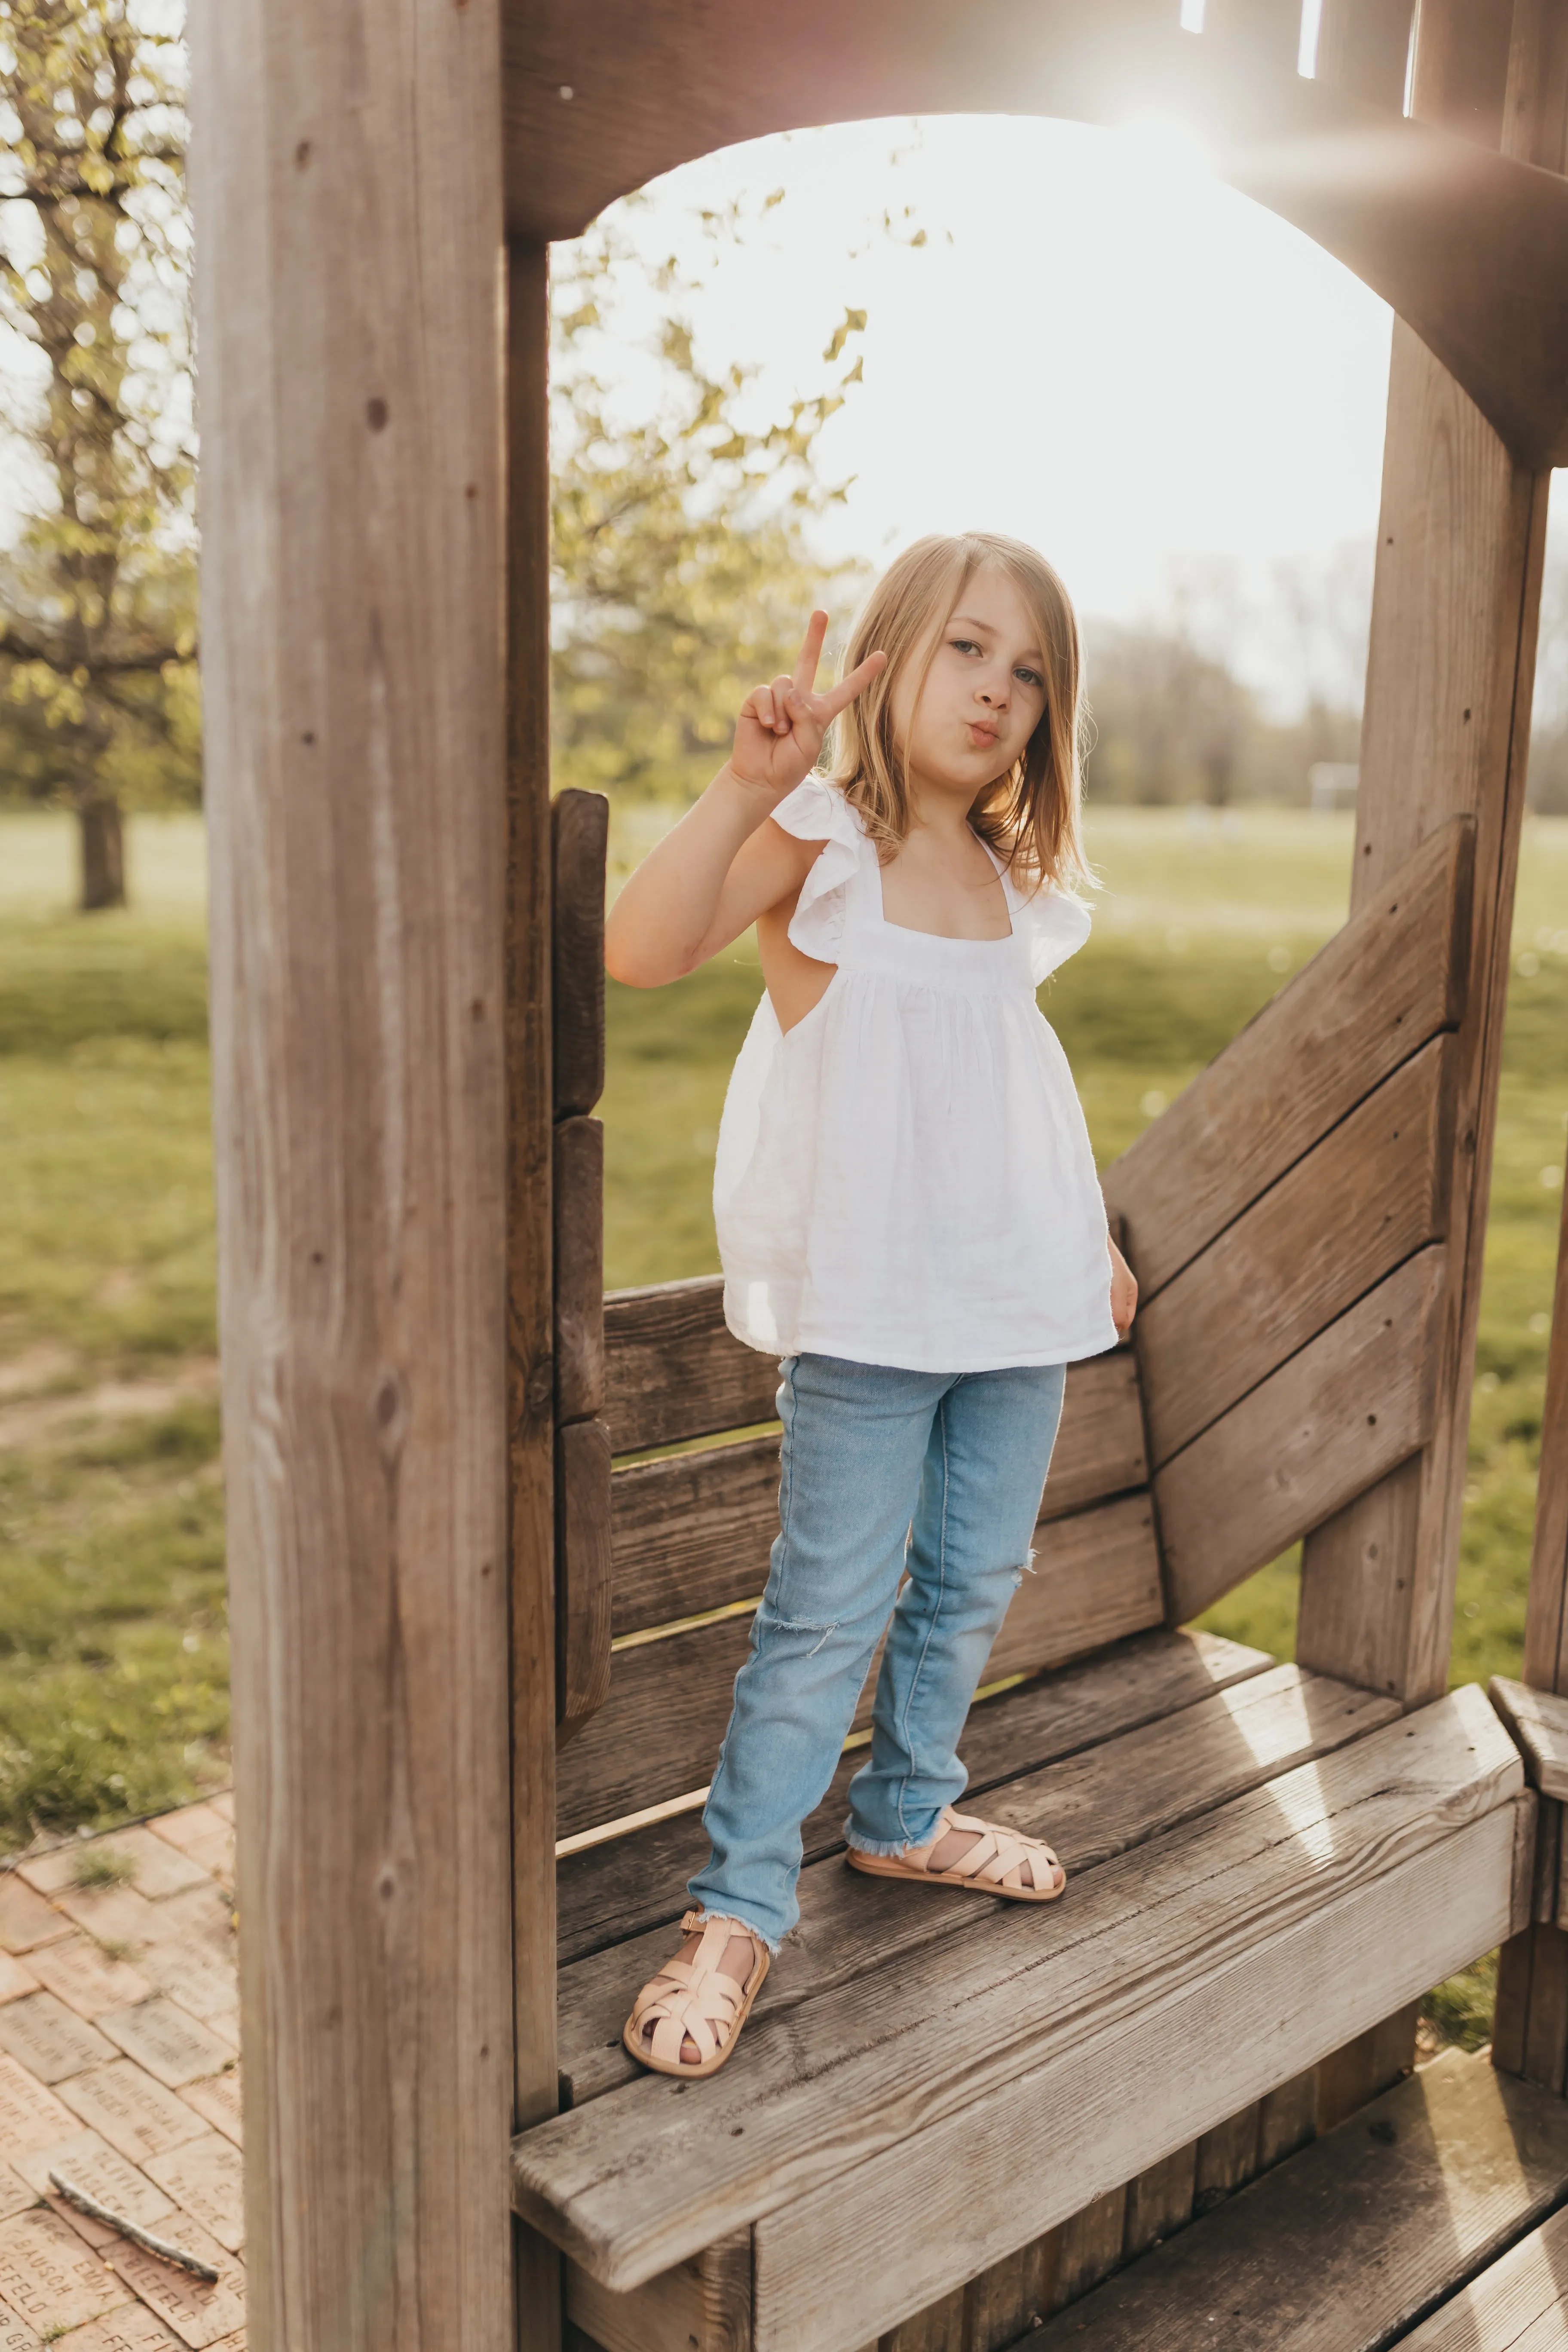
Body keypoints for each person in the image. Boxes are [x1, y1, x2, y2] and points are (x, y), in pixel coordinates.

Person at [604, 530, 1138, 2079]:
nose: (998, 692)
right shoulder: (823, 839)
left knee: (975, 1572)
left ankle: (906, 1815)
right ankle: (738, 1905)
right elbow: (644, 953)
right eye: (969, 650)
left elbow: (1011, 1083)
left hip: (1012, 1309)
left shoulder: (1006, 874)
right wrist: (742, 786)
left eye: (1030, 673)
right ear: (889, 656)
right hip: (874, 1313)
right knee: (829, 1606)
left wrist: (1080, 1237)